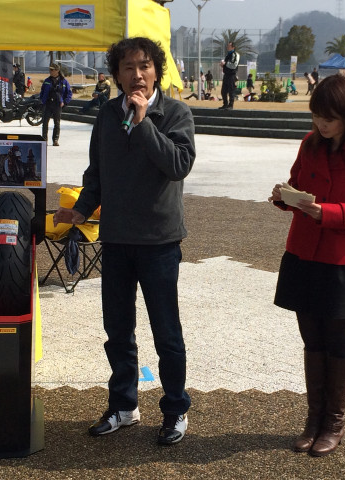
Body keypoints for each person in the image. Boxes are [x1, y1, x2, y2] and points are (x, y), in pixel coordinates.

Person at [53, 36, 195, 446]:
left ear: (157, 72)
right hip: (115, 239)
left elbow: (178, 165)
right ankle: (123, 406)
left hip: (159, 242)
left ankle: (175, 409)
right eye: (128, 67)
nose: (137, 74)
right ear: (116, 74)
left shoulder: (176, 114)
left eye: (145, 66)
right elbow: (96, 173)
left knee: (167, 333)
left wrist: (144, 121)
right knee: (117, 330)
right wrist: (81, 210)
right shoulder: (106, 116)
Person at [268, 74, 345, 457]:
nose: (321, 124)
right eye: (316, 116)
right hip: (303, 253)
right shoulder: (309, 144)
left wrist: (327, 213)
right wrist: (284, 197)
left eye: (329, 118)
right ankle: (313, 420)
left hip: (339, 261)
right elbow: (296, 184)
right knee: (311, 340)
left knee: (337, 341)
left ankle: (333, 422)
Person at [39, 63, 72, 146]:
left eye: (52, 70)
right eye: (50, 69)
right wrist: (42, 100)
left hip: (57, 104)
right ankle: (44, 139)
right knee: (45, 122)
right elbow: (42, 92)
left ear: (57, 71)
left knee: (57, 123)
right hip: (48, 104)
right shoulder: (47, 81)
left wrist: (65, 102)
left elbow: (69, 93)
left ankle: (55, 140)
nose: (50, 71)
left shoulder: (64, 81)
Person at [219, 41, 240, 110]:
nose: (227, 47)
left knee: (231, 90)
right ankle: (225, 104)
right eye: (227, 46)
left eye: (229, 46)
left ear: (233, 47)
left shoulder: (235, 54)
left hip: (231, 75)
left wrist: (225, 64)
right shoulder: (228, 55)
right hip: (226, 74)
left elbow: (234, 65)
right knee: (223, 91)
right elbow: (226, 64)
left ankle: (231, 105)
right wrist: (222, 65)